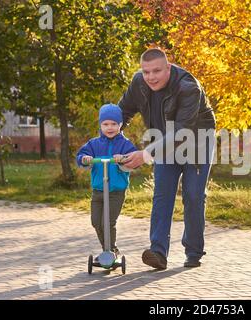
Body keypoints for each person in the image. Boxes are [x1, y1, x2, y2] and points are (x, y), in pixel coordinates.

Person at [118, 48, 216, 269]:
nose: (151, 77)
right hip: (164, 141)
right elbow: (122, 112)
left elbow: (182, 132)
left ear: (168, 68)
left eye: (156, 71)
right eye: (146, 71)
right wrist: (109, 137)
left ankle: (193, 251)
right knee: (162, 194)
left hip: (197, 140)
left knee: (192, 195)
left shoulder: (188, 87)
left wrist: (144, 154)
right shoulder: (139, 83)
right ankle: (158, 253)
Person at [76, 104, 137, 259]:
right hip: (98, 190)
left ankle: (108, 253)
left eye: (114, 124)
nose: (110, 128)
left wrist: (122, 158)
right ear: (100, 125)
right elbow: (81, 156)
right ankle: (110, 250)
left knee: (107, 223)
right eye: (105, 124)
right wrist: (85, 159)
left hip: (116, 191)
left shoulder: (125, 144)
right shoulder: (94, 144)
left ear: (120, 124)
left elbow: (133, 158)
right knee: (96, 222)